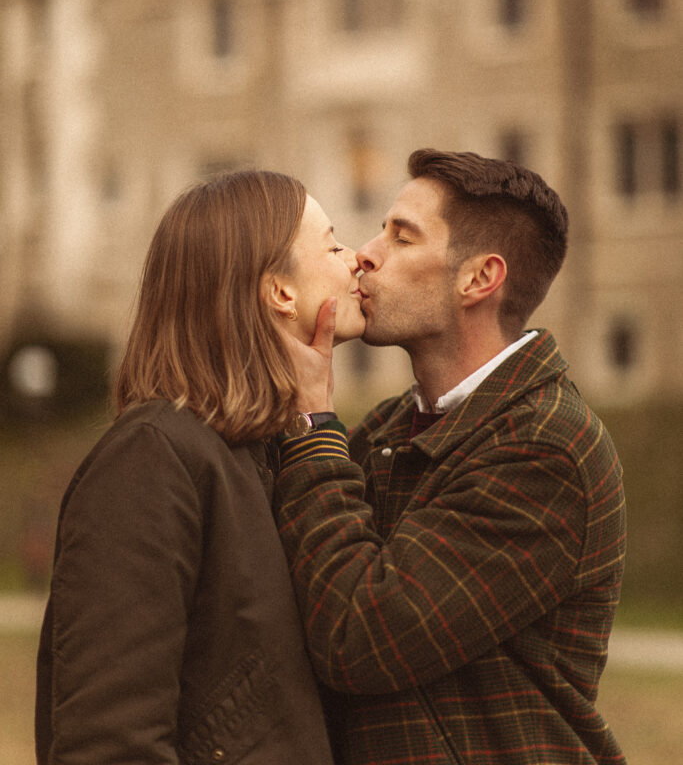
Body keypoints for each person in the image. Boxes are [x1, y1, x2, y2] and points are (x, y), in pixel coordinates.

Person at [274, 149, 627, 765]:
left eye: (401, 237)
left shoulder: (547, 448)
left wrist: (312, 422)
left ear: (479, 279)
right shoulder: (389, 428)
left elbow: (359, 636)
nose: (365, 254)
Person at [35, 169, 365, 765]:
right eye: (334, 245)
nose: (357, 260)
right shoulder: (152, 459)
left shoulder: (263, 456)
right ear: (279, 292)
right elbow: (109, 741)